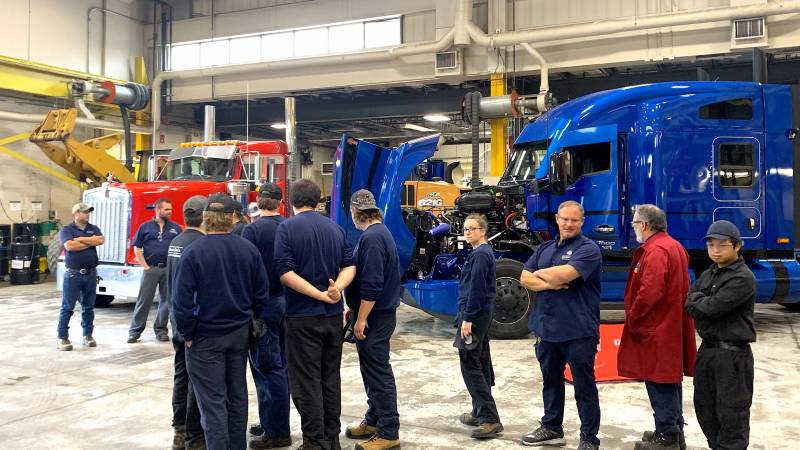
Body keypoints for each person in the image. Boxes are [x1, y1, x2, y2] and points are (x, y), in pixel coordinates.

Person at [173, 193, 279, 450]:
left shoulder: (193, 253)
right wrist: (249, 318)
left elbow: (182, 302)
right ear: (232, 218)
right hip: (239, 335)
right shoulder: (247, 249)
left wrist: (187, 333)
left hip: (204, 339)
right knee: (236, 396)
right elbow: (261, 294)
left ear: (206, 218)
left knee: (212, 403)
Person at [273, 179, 356, 450]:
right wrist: (335, 291)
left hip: (302, 317)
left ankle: (315, 442)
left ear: (291, 200)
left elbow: (286, 274)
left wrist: (320, 294)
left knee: (306, 382)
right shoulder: (335, 228)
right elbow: (349, 266)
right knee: (330, 378)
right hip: (333, 317)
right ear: (319, 200)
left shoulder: (286, 229)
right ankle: (331, 439)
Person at [519, 200, 602, 450]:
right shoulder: (545, 247)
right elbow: (523, 277)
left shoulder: (589, 249)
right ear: (557, 219)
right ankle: (552, 427)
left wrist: (544, 275)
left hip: (578, 331)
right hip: (546, 329)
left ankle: (589, 438)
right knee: (551, 382)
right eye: (564, 219)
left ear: (582, 222)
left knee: (583, 387)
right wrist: (548, 283)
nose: (568, 224)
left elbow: (566, 275)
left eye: (574, 220)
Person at [618, 204, 697, 450]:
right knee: (669, 378)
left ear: (643, 225)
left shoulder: (656, 250)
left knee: (658, 379)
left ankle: (667, 436)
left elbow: (650, 291)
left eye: (634, 224)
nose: (634, 229)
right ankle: (673, 429)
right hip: (669, 326)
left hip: (656, 328)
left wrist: (634, 315)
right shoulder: (673, 246)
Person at [685, 220, 756, 450]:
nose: (715, 250)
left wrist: (699, 302)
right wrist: (700, 302)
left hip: (733, 357)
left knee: (731, 413)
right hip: (708, 351)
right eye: (711, 245)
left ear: (736, 246)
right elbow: (688, 303)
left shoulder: (742, 278)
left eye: (722, 245)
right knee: (705, 408)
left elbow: (712, 308)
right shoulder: (708, 273)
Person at [343, 190, 402, 450]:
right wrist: (353, 308)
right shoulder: (378, 233)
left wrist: (361, 318)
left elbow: (373, 284)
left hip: (376, 317)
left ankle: (389, 432)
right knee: (371, 371)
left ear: (356, 213)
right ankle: (374, 419)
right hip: (372, 314)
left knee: (378, 373)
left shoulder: (373, 238)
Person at [241, 183, 291, 449]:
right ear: (280, 203)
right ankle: (270, 418)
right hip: (288, 302)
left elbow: (246, 271)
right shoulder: (287, 227)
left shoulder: (252, 231)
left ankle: (277, 432)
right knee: (281, 364)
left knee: (267, 368)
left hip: (263, 306)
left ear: (259, 202)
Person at [453, 214, 503, 440]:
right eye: (465, 229)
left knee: (469, 363)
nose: (468, 232)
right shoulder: (481, 252)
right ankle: (479, 411)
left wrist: (468, 318)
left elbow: (477, 289)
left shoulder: (481, 255)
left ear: (483, 231)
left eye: (473, 229)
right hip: (479, 314)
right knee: (480, 360)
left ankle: (490, 419)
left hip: (475, 314)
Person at [166, 196, 207, 450]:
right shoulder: (201, 245)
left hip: (177, 320)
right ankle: (195, 435)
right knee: (197, 381)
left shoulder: (176, 242)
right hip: (194, 324)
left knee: (181, 376)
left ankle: (179, 431)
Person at [128, 198, 182, 343]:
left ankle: (161, 331)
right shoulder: (145, 227)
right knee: (144, 301)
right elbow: (136, 248)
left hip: (168, 270)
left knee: (166, 301)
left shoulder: (176, 228)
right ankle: (134, 331)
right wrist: (145, 266)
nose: (170, 212)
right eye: (167, 210)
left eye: (171, 209)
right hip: (150, 268)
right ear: (158, 210)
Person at [56, 203, 104, 351]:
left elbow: (100, 240)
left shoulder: (93, 228)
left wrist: (80, 240)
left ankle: (87, 335)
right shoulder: (67, 230)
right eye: (85, 212)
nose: (88, 214)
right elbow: (69, 246)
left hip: (90, 273)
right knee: (68, 307)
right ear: (76, 213)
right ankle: (62, 337)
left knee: (88, 307)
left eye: (88, 212)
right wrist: (90, 241)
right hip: (73, 274)